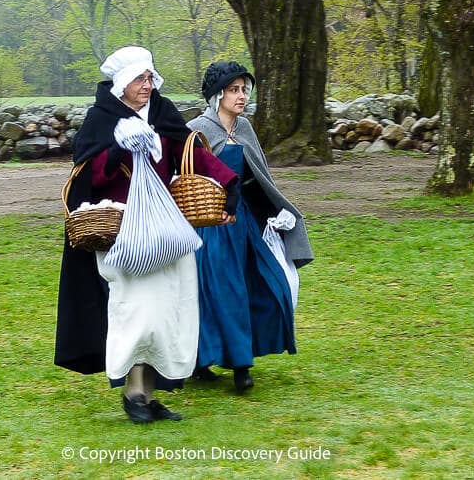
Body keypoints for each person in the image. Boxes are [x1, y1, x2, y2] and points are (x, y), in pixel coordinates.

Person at [54, 46, 238, 423]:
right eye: (140, 78)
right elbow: (89, 176)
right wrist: (118, 147)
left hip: (167, 230)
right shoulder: (100, 120)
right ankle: (134, 393)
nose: (147, 84)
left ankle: (150, 394)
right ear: (122, 83)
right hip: (121, 231)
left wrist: (228, 183)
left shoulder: (162, 112)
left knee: (169, 310)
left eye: (150, 77)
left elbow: (190, 151)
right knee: (136, 312)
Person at [186, 61, 314, 393]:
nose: (242, 96)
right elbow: (183, 179)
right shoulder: (197, 131)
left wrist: (276, 213)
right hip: (209, 224)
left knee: (266, 284)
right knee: (216, 291)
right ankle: (235, 364)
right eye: (234, 90)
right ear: (217, 95)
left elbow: (259, 178)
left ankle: (230, 355)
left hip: (243, 222)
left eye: (244, 89)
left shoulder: (244, 129)